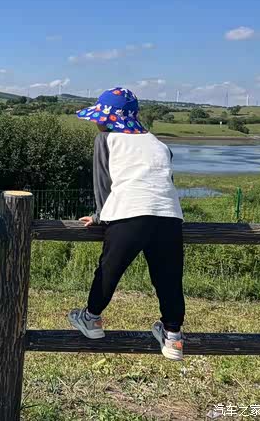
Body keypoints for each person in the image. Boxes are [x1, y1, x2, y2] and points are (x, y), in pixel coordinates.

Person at [68, 87, 186, 361]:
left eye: (99, 118)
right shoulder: (159, 144)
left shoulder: (106, 139)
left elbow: (103, 181)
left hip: (129, 211)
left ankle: (91, 319)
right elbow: (165, 181)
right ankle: (173, 337)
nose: (97, 123)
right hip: (169, 215)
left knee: (109, 269)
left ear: (108, 119)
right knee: (169, 278)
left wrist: (100, 215)